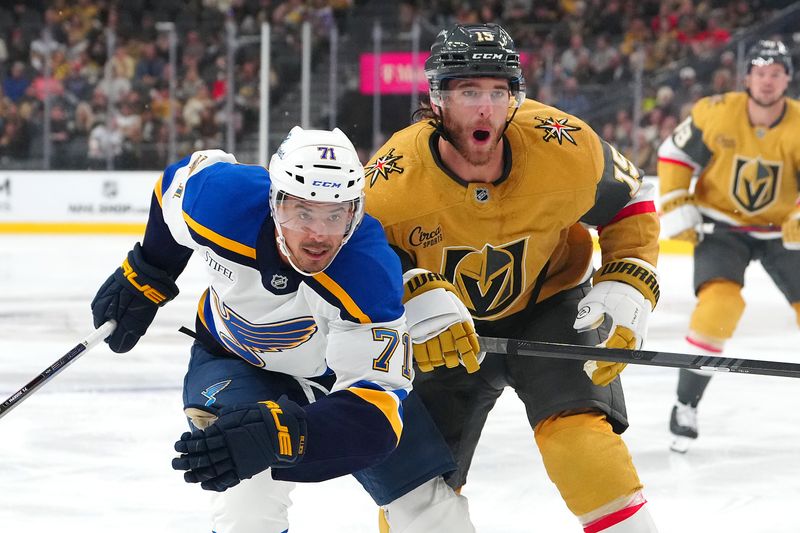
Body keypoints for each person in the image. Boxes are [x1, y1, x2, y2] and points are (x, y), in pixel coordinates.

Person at [89, 127, 476, 533]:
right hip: (235, 362)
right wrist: (147, 270)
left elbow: (378, 417)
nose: (318, 236)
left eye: (335, 214)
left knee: (432, 513)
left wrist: (282, 435)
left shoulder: (368, 271)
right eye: (301, 212)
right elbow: (174, 185)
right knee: (247, 506)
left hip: (336, 386)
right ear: (274, 202)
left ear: (356, 212)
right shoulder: (221, 200)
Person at [365, 23, 661, 532]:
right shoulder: (391, 179)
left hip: (550, 308)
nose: (485, 108)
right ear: (437, 100)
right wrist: (407, 290)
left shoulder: (564, 145)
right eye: (469, 92)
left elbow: (629, 200)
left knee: (584, 449)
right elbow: (360, 257)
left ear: (514, 98)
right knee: (418, 495)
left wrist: (627, 278)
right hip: (445, 331)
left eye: (497, 92)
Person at [657, 39, 800, 453]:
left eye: (776, 73)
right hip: (722, 226)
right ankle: (685, 404)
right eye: (761, 72)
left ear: (787, 78)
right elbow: (674, 153)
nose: (768, 81)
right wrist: (675, 200)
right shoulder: (717, 112)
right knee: (719, 307)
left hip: (779, 230)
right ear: (748, 77)